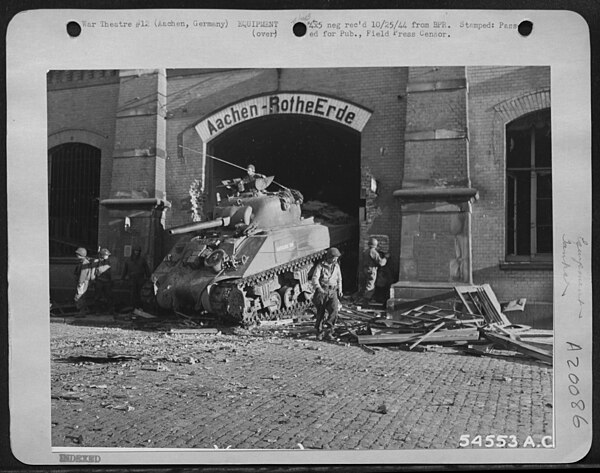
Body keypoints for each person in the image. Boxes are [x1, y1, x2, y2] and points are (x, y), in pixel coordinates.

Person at [311, 247, 343, 341]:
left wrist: (340, 290)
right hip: (322, 291)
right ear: (330, 257)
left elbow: (339, 278)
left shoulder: (336, 266)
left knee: (334, 311)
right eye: (335, 257)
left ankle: (329, 331)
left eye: (337, 257)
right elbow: (314, 278)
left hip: (333, 291)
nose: (336, 259)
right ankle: (319, 332)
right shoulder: (320, 266)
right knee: (320, 313)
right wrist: (319, 288)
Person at [361, 237, 387, 304]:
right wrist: (385, 258)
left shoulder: (366, 251)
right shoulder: (373, 252)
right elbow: (381, 263)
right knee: (370, 285)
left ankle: (365, 298)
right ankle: (366, 300)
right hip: (371, 269)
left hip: (365, 269)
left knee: (367, 284)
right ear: (375, 244)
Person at [73, 247, 94, 315]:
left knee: (79, 296)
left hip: (82, 282)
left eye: (77, 255)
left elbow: (83, 274)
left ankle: (81, 312)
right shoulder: (83, 262)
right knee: (81, 296)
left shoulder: (84, 263)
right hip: (83, 282)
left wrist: (80, 283)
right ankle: (82, 311)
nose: (76, 256)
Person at [93, 248, 113, 313]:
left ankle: (109, 310)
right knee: (97, 296)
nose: (107, 256)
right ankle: (97, 310)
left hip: (107, 281)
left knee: (108, 296)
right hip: (99, 281)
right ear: (102, 255)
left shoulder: (108, 262)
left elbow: (110, 272)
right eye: (106, 255)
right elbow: (94, 271)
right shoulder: (97, 262)